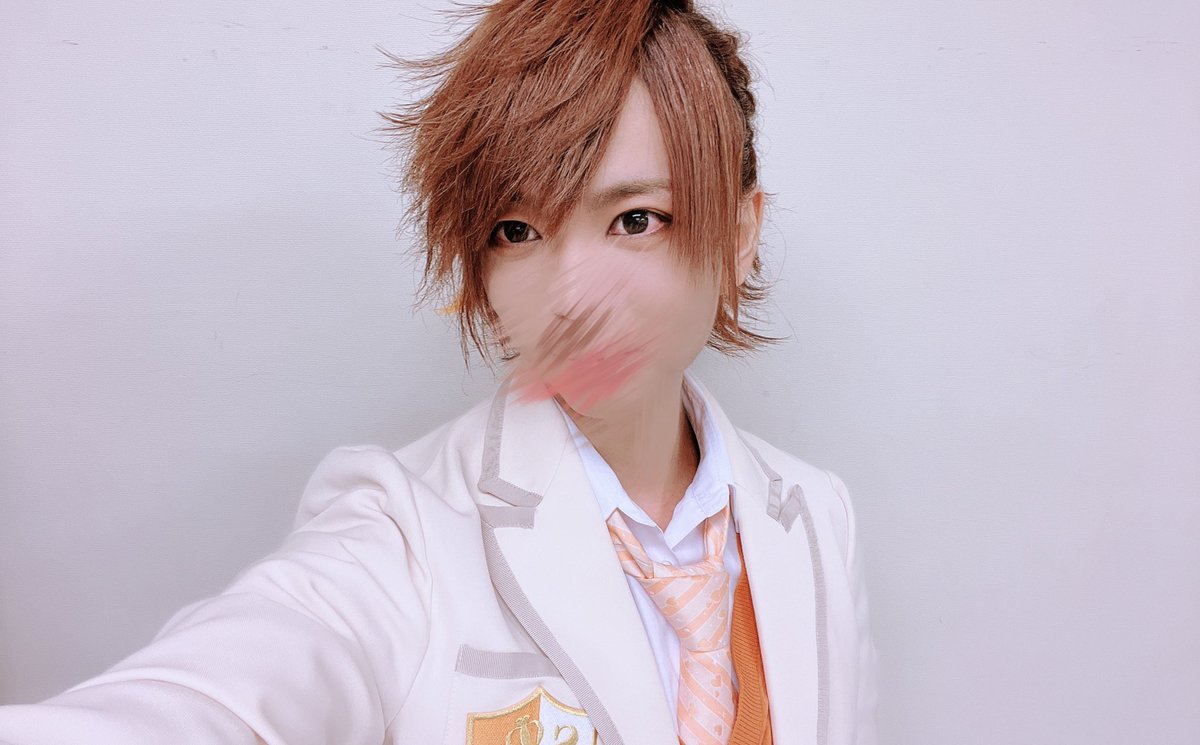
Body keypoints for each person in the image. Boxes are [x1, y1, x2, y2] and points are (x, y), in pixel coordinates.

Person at [0, 0, 877, 743]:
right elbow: (224, 691)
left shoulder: (816, 516)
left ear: (740, 234)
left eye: (637, 219)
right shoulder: (401, 529)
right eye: (518, 231)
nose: (571, 294)